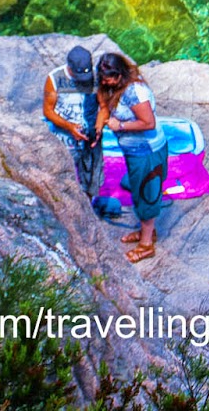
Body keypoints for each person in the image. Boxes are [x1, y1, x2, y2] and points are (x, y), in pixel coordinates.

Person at [94, 51, 167, 263]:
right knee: (137, 189)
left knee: (146, 194)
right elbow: (104, 108)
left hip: (147, 151)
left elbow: (148, 123)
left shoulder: (134, 92)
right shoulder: (112, 87)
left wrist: (121, 125)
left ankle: (146, 245)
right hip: (133, 151)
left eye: (109, 78)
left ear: (120, 75)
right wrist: (99, 127)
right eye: (103, 78)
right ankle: (147, 231)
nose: (105, 82)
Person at [43, 45, 103, 200]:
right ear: (69, 67)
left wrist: (98, 127)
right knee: (64, 173)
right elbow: (48, 111)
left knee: (92, 173)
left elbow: (104, 106)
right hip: (65, 135)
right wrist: (70, 127)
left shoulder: (96, 78)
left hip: (91, 134)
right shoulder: (55, 79)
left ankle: (89, 202)